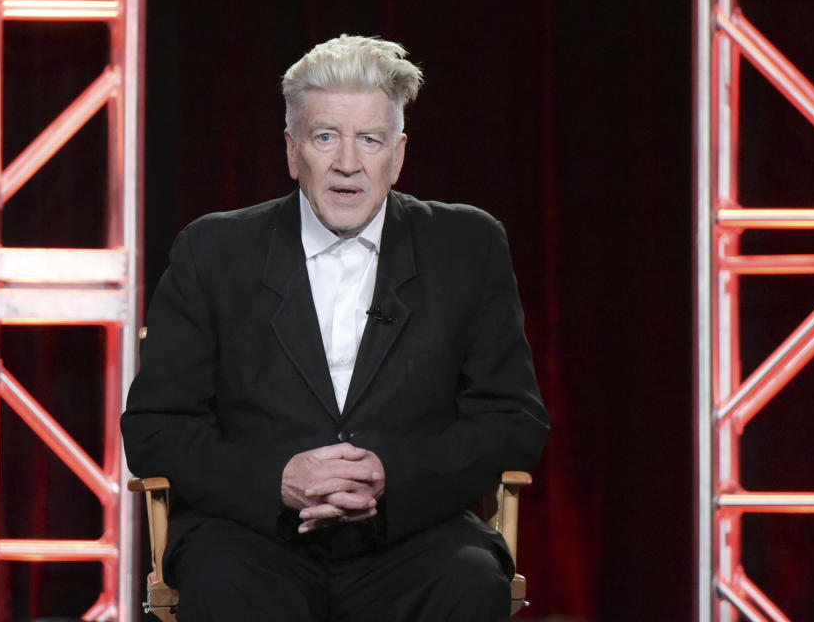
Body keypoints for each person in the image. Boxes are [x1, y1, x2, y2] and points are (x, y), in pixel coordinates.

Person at [121, 34, 550, 622]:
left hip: (412, 537)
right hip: (252, 537)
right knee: (224, 586)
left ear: (398, 155)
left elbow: (513, 420)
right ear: (293, 151)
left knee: (469, 581)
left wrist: (390, 475)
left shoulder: (467, 246)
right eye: (326, 137)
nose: (348, 162)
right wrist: (278, 479)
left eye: (369, 140)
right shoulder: (214, 251)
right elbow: (155, 428)